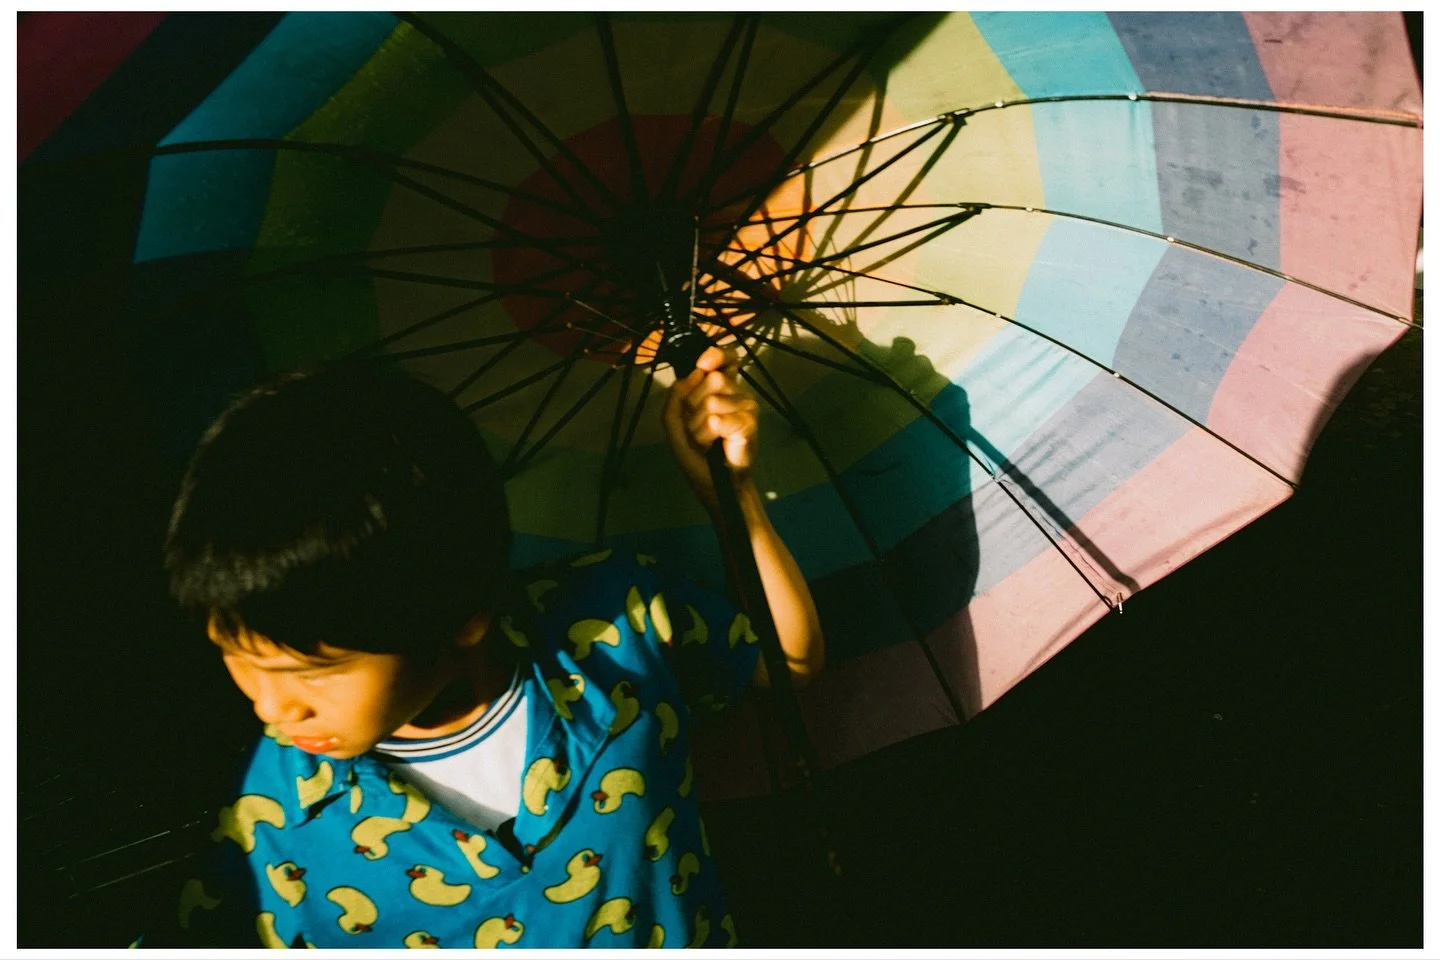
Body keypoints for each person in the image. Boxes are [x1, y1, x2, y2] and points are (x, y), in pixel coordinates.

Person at [143, 345, 823, 948]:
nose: (273, 709)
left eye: (311, 671)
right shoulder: (271, 819)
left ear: (463, 613)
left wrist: (731, 497)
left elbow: (789, 663)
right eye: (239, 659)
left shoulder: (617, 623)